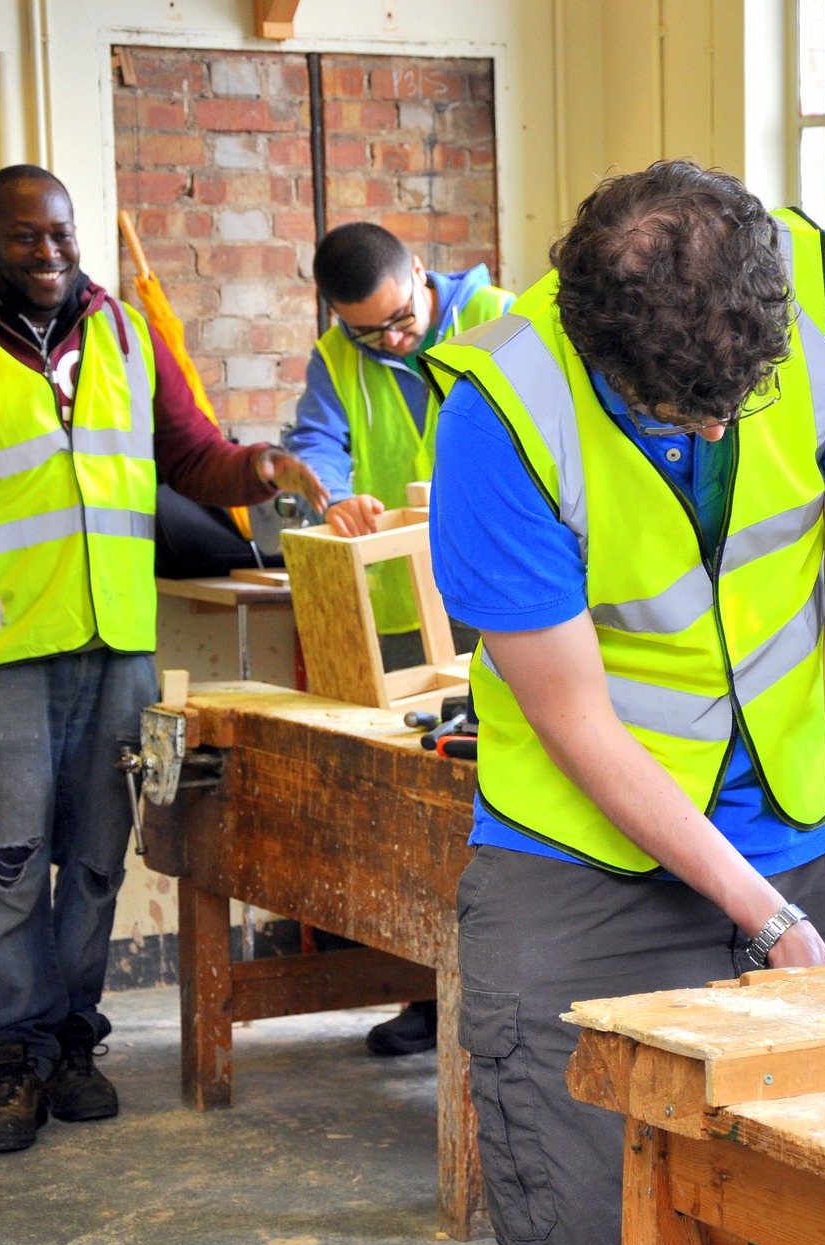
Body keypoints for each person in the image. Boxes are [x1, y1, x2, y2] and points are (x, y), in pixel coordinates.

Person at [422, 161, 825, 1245]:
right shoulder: (498, 415)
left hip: (807, 809)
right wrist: (763, 918)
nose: (720, 436)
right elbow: (575, 720)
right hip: (579, 850)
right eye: (685, 413)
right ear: (599, 351)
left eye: (742, 403)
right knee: (594, 1231)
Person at [0, 165, 329, 1154]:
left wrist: (258, 467)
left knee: (98, 862)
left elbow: (187, 454)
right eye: (26, 236)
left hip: (117, 645)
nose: (50, 251)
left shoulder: (118, 329)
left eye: (62, 234)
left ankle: (77, 1047)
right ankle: (12, 1063)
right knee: (10, 862)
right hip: (1, 650)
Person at [284, 223, 512, 1059]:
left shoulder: (497, 315)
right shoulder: (338, 358)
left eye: (400, 319)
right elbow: (312, 441)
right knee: (411, 805)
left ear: (421, 274)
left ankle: (495, 992)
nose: (391, 339)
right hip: (400, 603)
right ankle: (423, 991)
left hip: (497, 597)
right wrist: (332, 493)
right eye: (366, 330)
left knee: (487, 802)